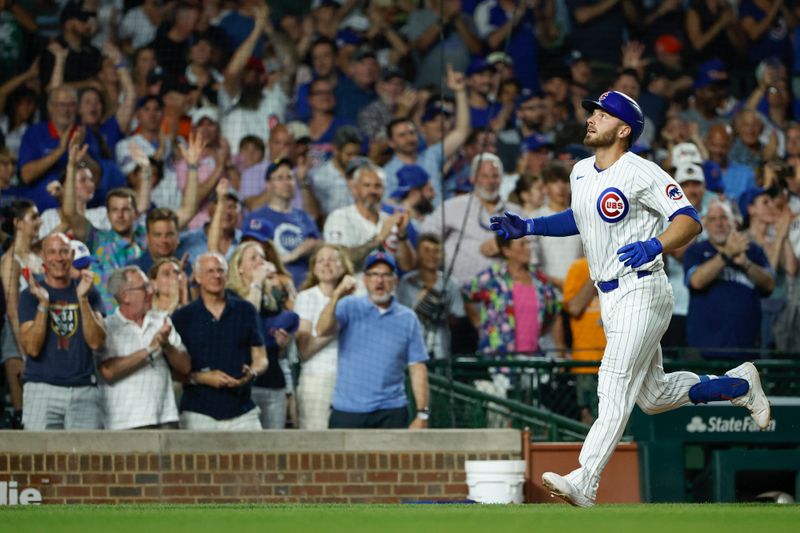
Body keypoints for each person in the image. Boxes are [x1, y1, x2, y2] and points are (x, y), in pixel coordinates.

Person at [490, 90, 771, 507]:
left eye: (602, 114)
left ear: (624, 129)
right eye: (593, 112)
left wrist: (655, 245)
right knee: (653, 397)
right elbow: (580, 217)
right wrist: (529, 224)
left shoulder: (642, 171)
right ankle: (739, 384)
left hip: (643, 286)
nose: (592, 118)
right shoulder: (581, 171)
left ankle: (587, 479)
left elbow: (689, 220)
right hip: (610, 297)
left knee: (614, 380)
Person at [316, 251, 429, 429]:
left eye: (385, 275)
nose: (379, 280)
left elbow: (417, 366)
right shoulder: (349, 306)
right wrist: (337, 294)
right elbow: (321, 329)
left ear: (395, 281)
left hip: (391, 410)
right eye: (374, 275)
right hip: (347, 410)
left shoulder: (408, 318)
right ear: (365, 280)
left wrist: (422, 413)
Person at [18, 233, 106, 430]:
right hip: (41, 389)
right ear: (43, 257)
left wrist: (82, 299)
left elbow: (97, 342)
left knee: (85, 460)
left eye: (64, 252)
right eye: (52, 252)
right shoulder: (29, 295)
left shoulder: (89, 291)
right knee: (39, 459)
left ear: (72, 254)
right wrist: (43, 304)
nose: (58, 258)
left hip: (84, 390)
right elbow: (32, 348)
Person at [171, 252, 267, 430]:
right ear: (198, 277)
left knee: (256, 457)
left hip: (243, 411)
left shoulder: (246, 311)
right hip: (197, 413)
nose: (216, 275)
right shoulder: (182, 317)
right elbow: (172, 371)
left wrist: (252, 373)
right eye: (210, 271)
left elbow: (261, 357)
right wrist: (201, 378)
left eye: (220, 271)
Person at [98, 266, 190, 430]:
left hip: (165, 418)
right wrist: (150, 349)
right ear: (125, 295)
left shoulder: (162, 320)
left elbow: (185, 367)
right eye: (144, 287)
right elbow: (109, 371)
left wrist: (167, 346)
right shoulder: (108, 327)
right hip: (124, 423)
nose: (151, 291)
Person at [685, 198, 775, 358]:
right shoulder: (696, 251)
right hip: (704, 349)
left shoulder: (752, 250)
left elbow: (769, 285)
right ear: (705, 224)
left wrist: (746, 264)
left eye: (724, 218)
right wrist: (727, 254)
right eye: (713, 219)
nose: (718, 223)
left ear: (734, 222)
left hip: (747, 347)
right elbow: (696, 281)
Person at [227, 241, 298, 430]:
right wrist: (257, 282)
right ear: (239, 267)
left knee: (274, 448)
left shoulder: (272, 299)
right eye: (253, 258)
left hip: (274, 383)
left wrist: (282, 343)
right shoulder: (230, 297)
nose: (260, 262)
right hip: (246, 384)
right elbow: (246, 320)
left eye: (262, 258)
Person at [422, 152, 522, 284]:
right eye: (485, 176)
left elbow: (530, 250)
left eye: (495, 176)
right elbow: (425, 238)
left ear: (501, 179)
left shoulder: (516, 213)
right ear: (473, 179)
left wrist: (503, 246)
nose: (490, 182)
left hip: (502, 291)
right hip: (459, 288)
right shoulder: (453, 207)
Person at [463, 234, 560, 355]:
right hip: (498, 359)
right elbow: (467, 293)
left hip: (535, 361)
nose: (528, 248)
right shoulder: (492, 277)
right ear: (506, 250)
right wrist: (478, 323)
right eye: (522, 244)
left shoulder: (541, 280)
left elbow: (553, 312)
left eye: (528, 243)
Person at [294, 244, 354, 429]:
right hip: (317, 378)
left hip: (349, 378)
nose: (326, 264)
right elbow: (304, 350)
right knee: (317, 441)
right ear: (313, 268)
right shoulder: (306, 297)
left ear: (343, 266)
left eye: (332, 259)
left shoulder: (355, 300)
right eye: (320, 260)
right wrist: (336, 327)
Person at [323, 161, 415, 273]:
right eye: (367, 185)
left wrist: (402, 235)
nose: (373, 191)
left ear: (384, 190)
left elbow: (407, 266)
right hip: (354, 288)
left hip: (388, 288)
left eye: (378, 186)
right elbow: (339, 259)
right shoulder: (339, 217)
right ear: (354, 188)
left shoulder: (388, 220)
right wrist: (378, 239)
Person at [245, 158, 322, 288]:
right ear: (269, 185)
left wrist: (313, 247)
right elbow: (250, 258)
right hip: (272, 288)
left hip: (306, 288)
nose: (286, 182)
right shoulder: (257, 219)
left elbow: (321, 245)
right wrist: (293, 254)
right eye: (280, 178)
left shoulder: (304, 217)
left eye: (290, 177)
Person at [0, 199, 44, 428]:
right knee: (24, 416)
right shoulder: (10, 262)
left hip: (42, 331)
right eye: (34, 217)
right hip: (17, 341)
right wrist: (24, 352)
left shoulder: (39, 256)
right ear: (18, 223)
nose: (40, 221)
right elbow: (12, 311)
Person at [397, 233, 465, 360]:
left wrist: (442, 308)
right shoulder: (406, 283)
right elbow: (399, 319)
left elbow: (458, 319)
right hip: (412, 351)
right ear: (417, 253)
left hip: (442, 350)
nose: (432, 256)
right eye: (426, 251)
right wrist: (420, 306)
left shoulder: (450, 284)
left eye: (437, 251)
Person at [562, 255, 605, 425]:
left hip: (618, 359)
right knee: (590, 423)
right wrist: (597, 272)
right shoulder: (578, 267)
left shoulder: (624, 262)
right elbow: (574, 307)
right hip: (587, 362)